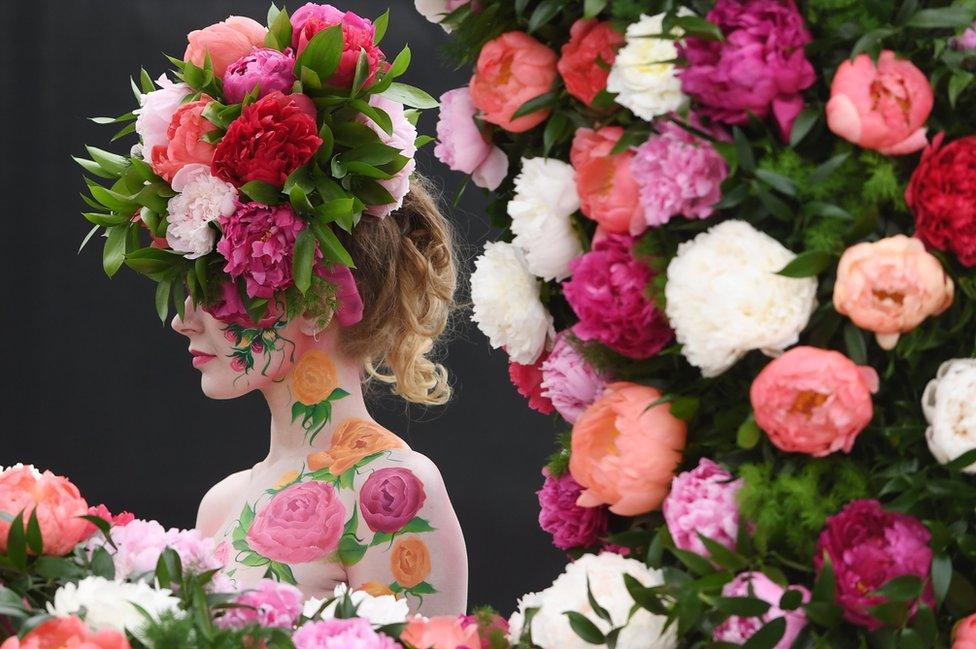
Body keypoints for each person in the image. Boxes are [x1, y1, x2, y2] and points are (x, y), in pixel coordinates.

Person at [172, 180, 468, 615]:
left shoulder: (390, 490)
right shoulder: (220, 505)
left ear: (316, 304)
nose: (183, 320)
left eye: (219, 285)